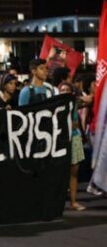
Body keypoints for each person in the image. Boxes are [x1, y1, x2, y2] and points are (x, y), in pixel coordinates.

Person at [59, 82, 86, 211]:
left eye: (67, 90)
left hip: (74, 138)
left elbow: (75, 124)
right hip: (60, 140)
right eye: (62, 90)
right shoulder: (55, 106)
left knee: (73, 172)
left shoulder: (75, 103)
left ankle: (73, 202)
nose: (64, 92)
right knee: (60, 172)